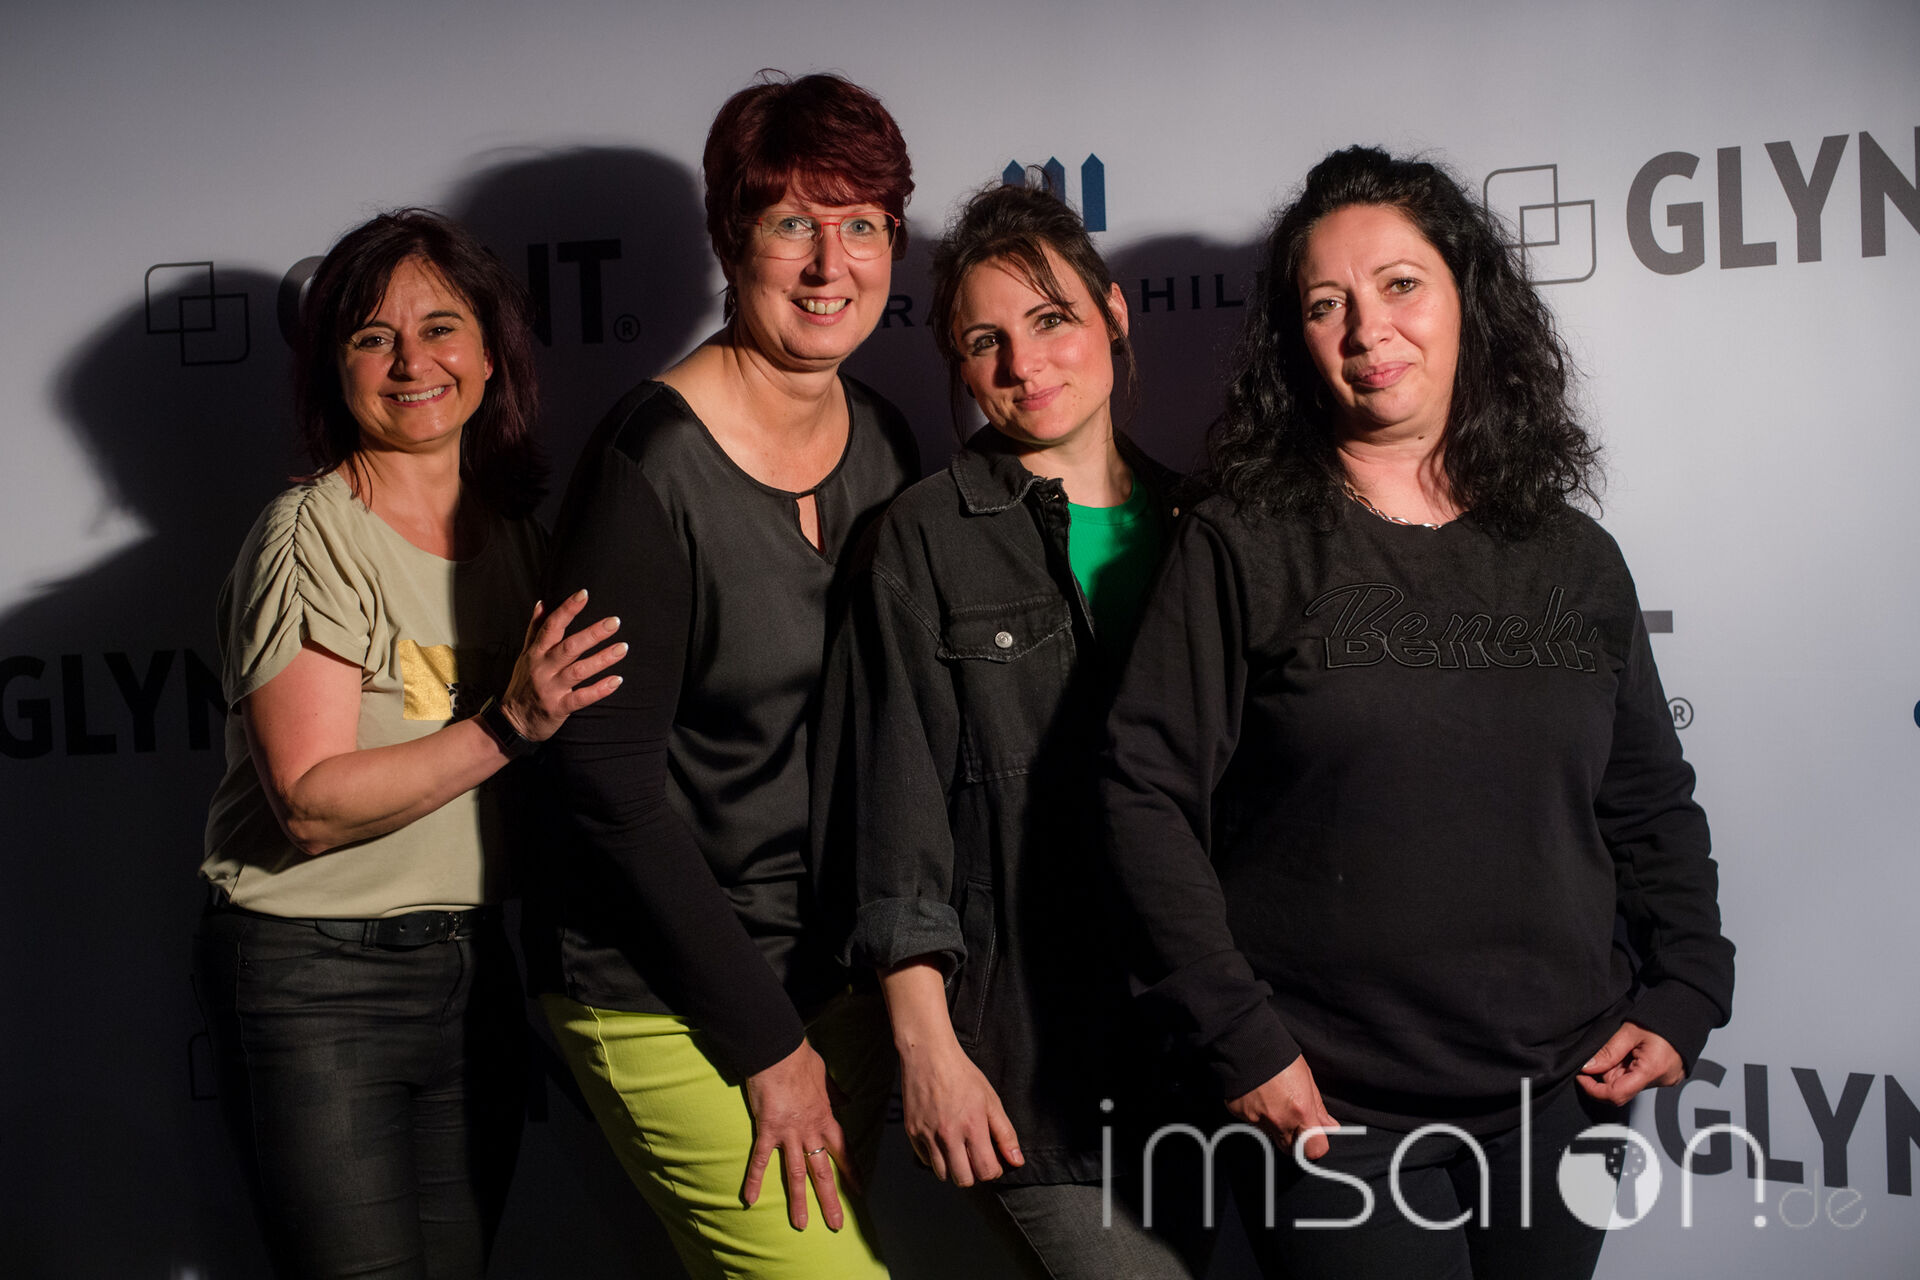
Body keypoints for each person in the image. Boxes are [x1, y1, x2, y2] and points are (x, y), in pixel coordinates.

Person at [1100, 146, 1736, 1279]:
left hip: (1564, 1096)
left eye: (1401, 284)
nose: (1366, 329)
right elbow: (1143, 795)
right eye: (1325, 304)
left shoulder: (1574, 556)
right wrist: (1238, 1036)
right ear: (1295, 341)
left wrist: (1689, 982)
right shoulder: (1242, 542)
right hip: (1335, 1111)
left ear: (1467, 302)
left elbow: (1646, 800)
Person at [528, 72, 918, 1280]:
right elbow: (607, 791)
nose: (830, 263)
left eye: (862, 224)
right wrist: (766, 1044)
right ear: (730, 240)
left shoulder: (890, 439)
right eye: (793, 222)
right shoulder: (649, 465)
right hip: (664, 981)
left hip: (830, 972)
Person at [192, 208, 624, 1280]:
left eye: (440, 328)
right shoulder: (311, 535)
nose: (412, 362)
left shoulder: (522, 540)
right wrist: (507, 725)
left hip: (472, 968)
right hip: (316, 978)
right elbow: (310, 802)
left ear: (490, 352)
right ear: (333, 369)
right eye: (372, 337)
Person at [814, 180, 1199, 1278]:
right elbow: (894, 817)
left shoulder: (1203, 526)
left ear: (1113, 314)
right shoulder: (922, 538)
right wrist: (928, 1046)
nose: (1024, 364)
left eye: (1050, 319)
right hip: (1031, 1060)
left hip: (1200, 1051)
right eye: (986, 342)